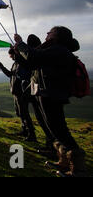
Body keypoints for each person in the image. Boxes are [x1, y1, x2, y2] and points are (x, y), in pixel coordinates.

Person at [14, 27, 86, 177]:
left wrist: (21, 44)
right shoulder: (53, 50)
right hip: (47, 93)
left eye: (50, 32)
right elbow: (30, 64)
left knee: (59, 129)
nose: (46, 34)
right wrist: (18, 51)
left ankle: (78, 169)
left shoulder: (59, 50)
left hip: (53, 94)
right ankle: (64, 161)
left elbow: (34, 57)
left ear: (57, 36)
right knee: (54, 128)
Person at [0, 48, 36, 142]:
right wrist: (1, 67)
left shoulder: (21, 63)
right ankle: (25, 131)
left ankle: (32, 134)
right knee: (20, 112)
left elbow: (21, 76)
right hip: (16, 92)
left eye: (11, 56)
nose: (11, 58)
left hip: (21, 92)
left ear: (15, 54)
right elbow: (10, 74)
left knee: (24, 113)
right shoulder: (15, 64)